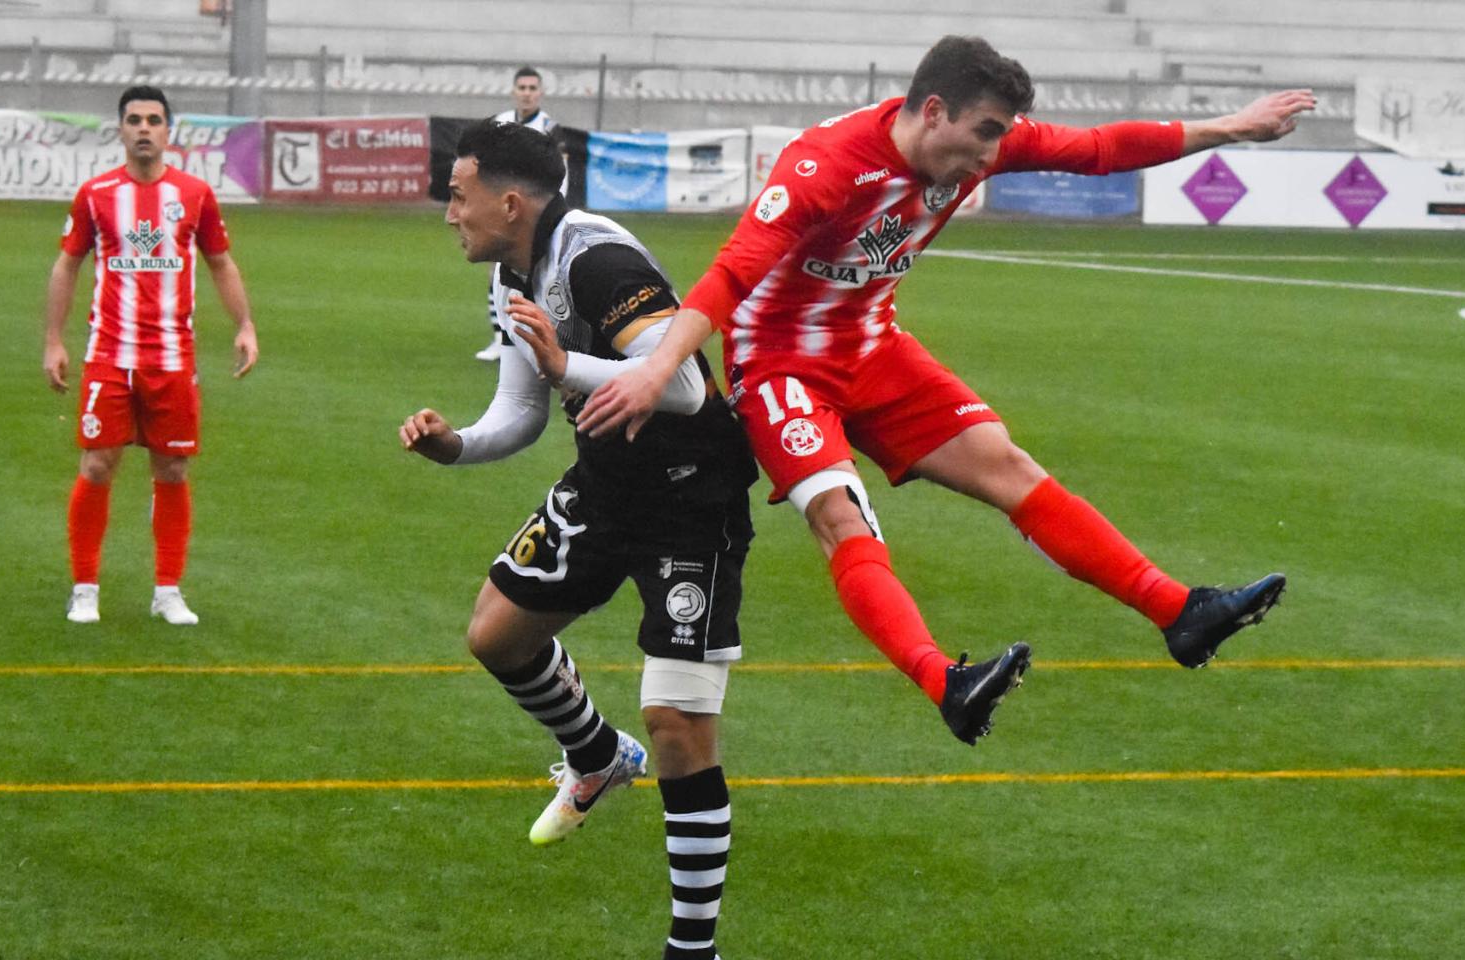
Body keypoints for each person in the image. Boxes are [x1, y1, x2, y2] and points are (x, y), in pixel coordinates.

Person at [578, 35, 1312, 744]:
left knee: (1009, 466)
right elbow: (732, 273)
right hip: (780, 365)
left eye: (1002, 136)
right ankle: (945, 683)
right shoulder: (824, 166)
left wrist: (1232, 128)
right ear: (933, 112)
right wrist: (657, 369)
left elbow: (1100, 149)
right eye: (985, 133)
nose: (993, 154)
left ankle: (1180, 612)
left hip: (874, 347)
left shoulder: (978, 145)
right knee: (841, 516)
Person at [402, 120, 767, 960]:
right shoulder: (511, 271)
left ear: (510, 200)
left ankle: (692, 948)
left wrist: (570, 367)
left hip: (689, 497)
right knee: (496, 633)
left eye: (458, 196)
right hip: (607, 483)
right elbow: (522, 413)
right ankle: (597, 756)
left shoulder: (597, 260)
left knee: (678, 725)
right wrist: (454, 442)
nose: (448, 212)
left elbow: (680, 383)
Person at [43, 84, 259, 625]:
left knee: (173, 468)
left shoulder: (195, 194)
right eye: (134, 119)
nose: (144, 128)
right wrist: (53, 340)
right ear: (120, 128)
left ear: (168, 131)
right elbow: (67, 265)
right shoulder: (96, 194)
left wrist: (245, 325)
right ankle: (85, 586)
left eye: (153, 120)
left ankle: (167, 590)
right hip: (109, 353)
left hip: (172, 357)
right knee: (97, 464)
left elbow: (221, 263)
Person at [477, 66, 560, 362]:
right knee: (497, 274)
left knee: (541, 277)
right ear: (514, 91)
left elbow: (559, 175)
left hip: (536, 213)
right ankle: (501, 339)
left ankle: (545, 340)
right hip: (502, 209)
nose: (526, 93)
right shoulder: (499, 123)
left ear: (540, 93)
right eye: (522, 88)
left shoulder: (550, 128)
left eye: (532, 88)